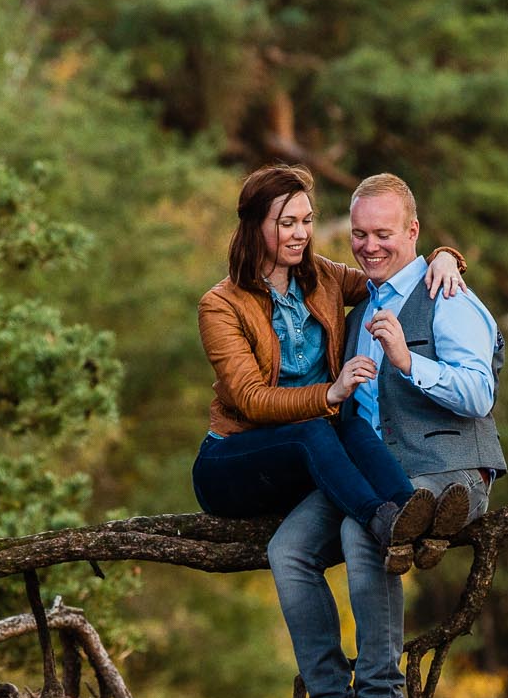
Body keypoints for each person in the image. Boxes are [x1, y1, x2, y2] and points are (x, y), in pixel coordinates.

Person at [269, 172, 505, 698]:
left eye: (384, 234)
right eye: (360, 235)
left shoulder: (448, 297)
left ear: (414, 233)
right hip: (374, 473)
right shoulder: (354, 313)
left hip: (452, 471)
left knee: (362, 529)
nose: (370, 246)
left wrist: (407, 361)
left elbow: (481, 393)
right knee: (289, 548)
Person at [190, 165, 472, 569]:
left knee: (350, 423)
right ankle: (384, 523)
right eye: (287, 223)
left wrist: (444, 257)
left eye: (306, 221)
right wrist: (331, 392)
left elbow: (394, 274)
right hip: (234, 463)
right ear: (255, 226)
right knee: (322, 424)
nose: (302, 234)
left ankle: (417, 517)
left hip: (308, 451)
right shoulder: (221, 305)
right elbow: (250, 400)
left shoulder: (321, 276)